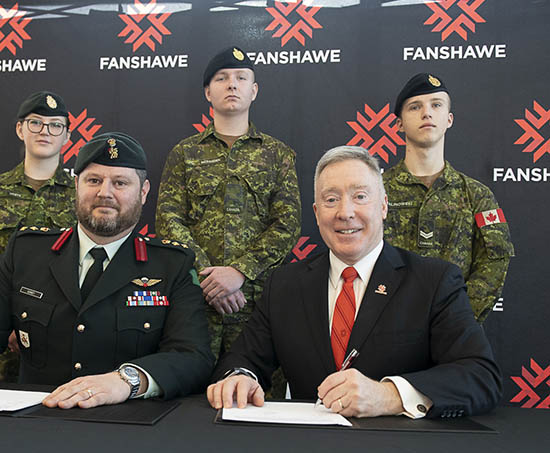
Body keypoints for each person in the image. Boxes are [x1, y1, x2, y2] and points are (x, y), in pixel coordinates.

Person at [0, 133, 214, 409]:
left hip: (130, 426)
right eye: (93, 180)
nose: (105, 193)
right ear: (77, 185)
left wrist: (127, 380)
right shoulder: (27, 251)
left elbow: (192, 356)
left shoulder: (172, 264)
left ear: (144, 191)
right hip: (37, 422)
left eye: (120, 183)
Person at [207, 146, 501, 418]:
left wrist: (389, 395)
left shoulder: (434, 281)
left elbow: (480, 377)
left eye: (360, 196)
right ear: (316, 213)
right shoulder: (284, 285)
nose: (345, 212)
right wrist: (239, 378)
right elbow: (241, 358)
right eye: (331, 199)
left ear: (384, 206)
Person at [156, 46, 301, 361]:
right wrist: (208, 276)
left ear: (254, 90)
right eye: (222, 79)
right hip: (194, 299)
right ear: (208, 92)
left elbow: (287, 224)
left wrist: (239, 271)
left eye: (241, 78)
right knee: (188, 394)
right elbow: (168, 221)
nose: (232, 85)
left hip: (257, 303)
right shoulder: (184, 153)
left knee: (255, 395)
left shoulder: (278, 154)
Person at [0, 91, 77, 382]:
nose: (45, 132)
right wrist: (2, 319)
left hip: (59, 333)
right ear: (19, 129)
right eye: (35, 123)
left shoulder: (82, 194)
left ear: (67, 136)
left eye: (55, 125)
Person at [384, 73, 514, 322]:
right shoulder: (375, 192)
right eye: (415, 107)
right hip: (387, 331)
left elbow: (495, 260)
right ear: (399, 123)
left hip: (455, 336)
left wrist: (456, 317)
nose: (427, 113)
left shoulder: (476, 195)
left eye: (436, 105)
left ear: (449, 119)